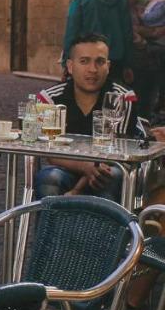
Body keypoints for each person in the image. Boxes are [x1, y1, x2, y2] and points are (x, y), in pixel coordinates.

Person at [33, 33, 144, 200]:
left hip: (109, 167)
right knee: (50, 179)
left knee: (109, 178)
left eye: (99, 62)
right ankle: (50, 226)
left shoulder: (122, 98)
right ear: (70, 66)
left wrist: (77, 189)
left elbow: (117, 153)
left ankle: (104, 226)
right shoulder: (50, 99)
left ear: (108, 66)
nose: (93, 69)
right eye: (84, 61)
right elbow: (50, 153)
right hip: (66, 166)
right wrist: (85, 167)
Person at [63, 0, 133, 81]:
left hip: (87, 59)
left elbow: (72, 31)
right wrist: (128, 63)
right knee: (112, 97)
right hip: (115, 59)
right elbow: (127, 32)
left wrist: (66, 62)